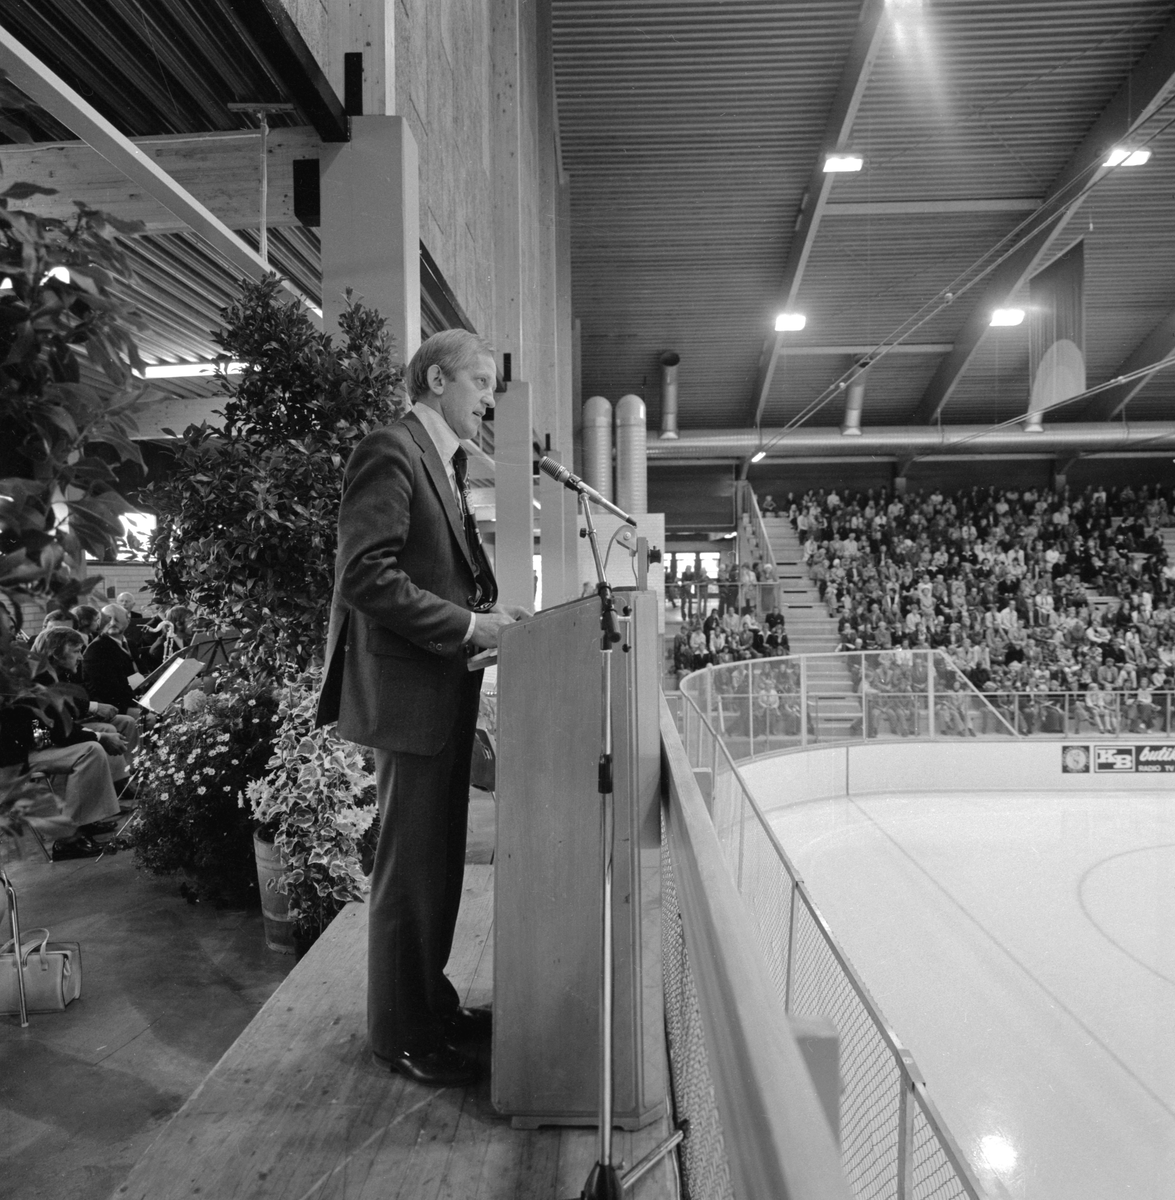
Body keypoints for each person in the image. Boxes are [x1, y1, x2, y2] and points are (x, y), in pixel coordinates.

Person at [316, 330, 530, 1088]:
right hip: (408, 699)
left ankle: (430, 1006)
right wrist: (469, 625)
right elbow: (365, 576)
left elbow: (435, 572)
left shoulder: (438, 460)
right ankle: (399, 1034)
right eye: (478, 381)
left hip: (438, 690)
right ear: (437, 379)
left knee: (435, 868)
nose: (485, 398)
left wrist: (484, 620)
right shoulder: (391, 447)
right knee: (408, 874)